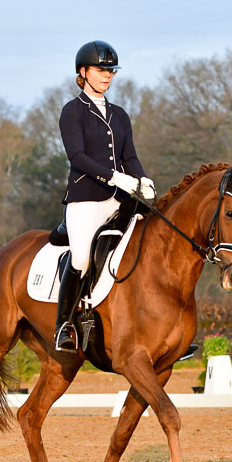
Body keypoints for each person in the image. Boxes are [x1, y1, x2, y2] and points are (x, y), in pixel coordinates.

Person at [55, 39, 155, 351]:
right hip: (86, 199)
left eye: (111, 71)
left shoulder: (120, 115)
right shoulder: (72, 112)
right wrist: (115, 177)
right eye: (101, 70)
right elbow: (77, 157)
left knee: (150, 241)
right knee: (81, 258)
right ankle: (64, 326)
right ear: (83, 72)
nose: (107, 75)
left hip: (119, 199)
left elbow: (130, 156)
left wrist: (142, 179)